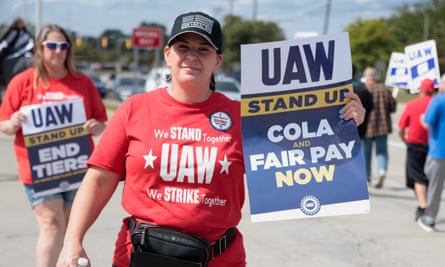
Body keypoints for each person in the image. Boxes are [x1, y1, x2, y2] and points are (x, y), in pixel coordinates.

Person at [56, 11, 366, 267]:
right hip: (140, 255)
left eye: (203, 49)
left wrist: (342, 119)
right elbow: (98, 180)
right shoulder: (136, 108)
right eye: (183, 47)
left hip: (220, 258)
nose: (192, 56)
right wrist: (72, 241)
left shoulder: (245, 116)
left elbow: (308, 149)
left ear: (217, 60)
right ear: (167, 55)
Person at [0, 24, 107, 267]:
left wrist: (94, 126)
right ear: (39, 48)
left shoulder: (83, 83)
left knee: (70, 229)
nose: (58, 51)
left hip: (76, 167)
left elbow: (101, 122)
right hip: (39, 168)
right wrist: (13, 122)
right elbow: (3, 123)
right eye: (52, 46)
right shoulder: (23, 82)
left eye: (63, 46)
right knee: (50, 224)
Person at [397, 78, 434, 221]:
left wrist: (404, 140)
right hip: (434, 146)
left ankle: (423, 206)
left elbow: (400, 128)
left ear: (421, 90)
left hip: (415, 144)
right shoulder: (437, 103)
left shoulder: (412, 104)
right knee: (428, 176)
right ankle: (425, 200)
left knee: (417, 176)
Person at [417, 74, 445, 232]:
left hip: (439, 151)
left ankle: (429, 218)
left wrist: (422, 118)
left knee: (435, 186)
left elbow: (427, 124)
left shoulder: (439, 100)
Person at [361, 66, 397, 188]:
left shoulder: (364, 90)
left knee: (366, 154)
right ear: (376, 77)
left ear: (366, 78)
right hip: (383, 126)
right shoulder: (385, 89)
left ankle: (367, 177)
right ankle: (382, 170)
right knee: (381, 151)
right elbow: (393, 107)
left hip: (367, 127)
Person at [0, 17, 35, 93]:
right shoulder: (13, 32)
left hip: (23, 56)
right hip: (11, 58)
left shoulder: (24, 31)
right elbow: (5, 44)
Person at [352, 64, 374, 183]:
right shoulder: (363, 88)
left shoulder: (339, 89)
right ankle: (364, 176)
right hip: (363, 128)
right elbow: (370, 107)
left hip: (343, 131)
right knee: (364, 154)